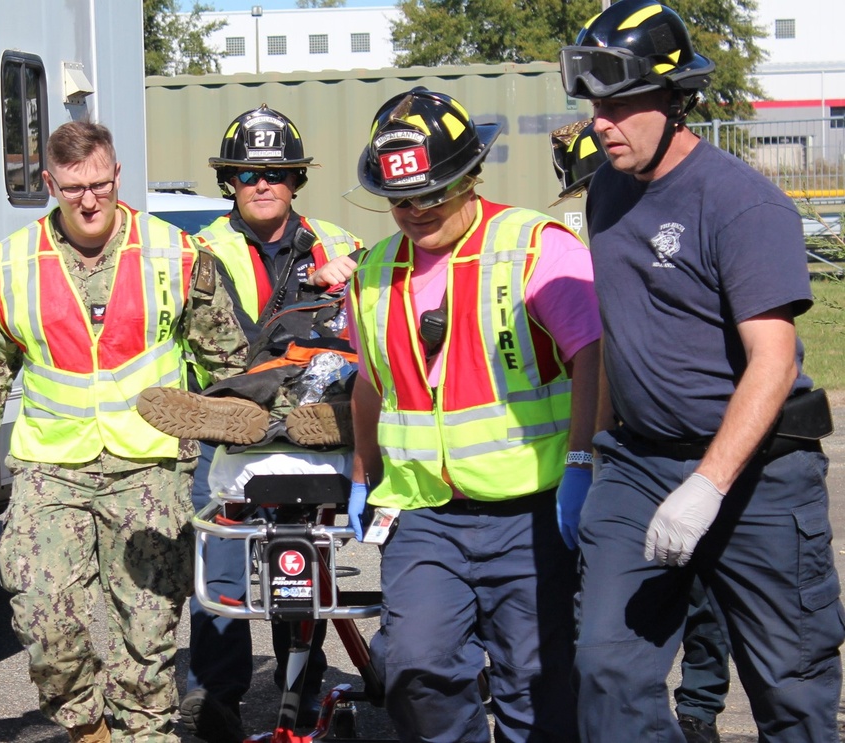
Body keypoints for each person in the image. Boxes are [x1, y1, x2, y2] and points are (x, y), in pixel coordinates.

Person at [558, 1, 844, 740]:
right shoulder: (607, 193)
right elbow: (620, 339)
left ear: (674, 98)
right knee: (606, 670)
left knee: (792, 688)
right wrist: (587, 457)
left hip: (756, 476)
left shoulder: (743, 204)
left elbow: (773, 360)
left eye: (620, 104)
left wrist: (708, 486)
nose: (601, 122)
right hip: (640, 465)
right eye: (595, 104)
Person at [0, 120, 249, 743]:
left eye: (101, 183)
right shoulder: (10, 264)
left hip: (151, 471)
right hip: (50, 470)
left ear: (117, 175)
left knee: (146, 635)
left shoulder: (177, 254)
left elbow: (228, 365)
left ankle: (145, 734)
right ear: (49, 184)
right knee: (42, 616)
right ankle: (88, 727)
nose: (90, 201)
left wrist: (236, 454)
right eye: (72, 189)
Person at [346, 87, 602, 742]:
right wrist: (359, 474)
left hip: (534, 511)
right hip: (424, 515)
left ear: (467, 176)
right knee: (414, 667)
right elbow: (371, 385)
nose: (414, 211)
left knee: (539, 681)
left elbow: (593, 359)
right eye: (400, 199)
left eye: (431, 193)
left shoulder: (534, 248)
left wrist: (581, 462)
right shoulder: (372, 273)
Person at [137, 105, 363, 743]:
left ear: (295, 179)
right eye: (246, 173)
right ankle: (218, 698)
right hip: (227, 425)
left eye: (275, 172)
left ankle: (301, 687)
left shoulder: (343, 246)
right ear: (229, 182)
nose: (261, 184)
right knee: (224, 569)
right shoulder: (197, 250)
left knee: (306, 557)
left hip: (311, 422)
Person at [550, 119, 731, 743]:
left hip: (706, 446)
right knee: (608, 624)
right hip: (627, 450)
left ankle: (701, 711)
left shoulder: (682, 214)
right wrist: (585, 461)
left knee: (706, 595)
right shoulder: (593, 224)